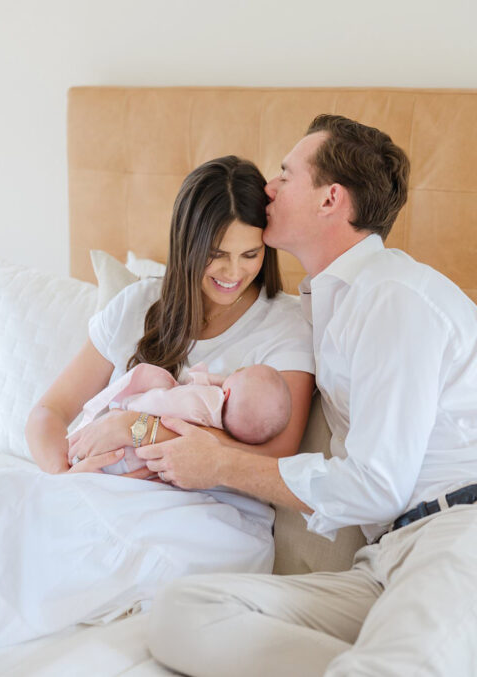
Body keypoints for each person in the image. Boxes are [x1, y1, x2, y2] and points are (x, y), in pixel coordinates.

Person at [145, 116, 477, 676]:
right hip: (386, 559)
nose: (268, 188)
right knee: (184, 613)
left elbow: (376, 484)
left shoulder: (394, 297)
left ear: (331, 198)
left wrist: (219, 464)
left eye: (284, 173)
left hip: (456, 534)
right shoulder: (329, 305)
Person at [0, 155, 316, 650]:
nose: (233, 272)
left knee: (51, 533)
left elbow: (277, 459)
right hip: (104, 485)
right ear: (186, 244)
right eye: (216, 253)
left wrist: (138, 429)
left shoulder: (284, 324)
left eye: (250, 254)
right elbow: (48, 413)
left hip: (212, 512)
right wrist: (61, 474)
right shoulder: (139, 305)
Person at [73, 362, 291, 475]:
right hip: (146, 467)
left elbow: (163, 402)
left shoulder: (205, 400)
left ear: (227, 392)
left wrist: (128, 409)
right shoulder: (222, 431)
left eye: (237, 374)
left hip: (124, 451)